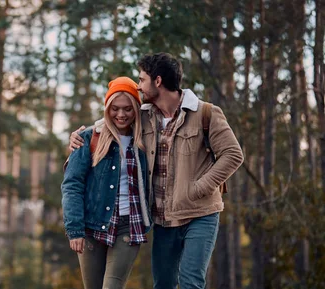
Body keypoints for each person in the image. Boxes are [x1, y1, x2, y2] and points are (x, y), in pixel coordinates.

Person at [68, 53, 244, 289]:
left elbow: (233, 154)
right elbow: (113, 119)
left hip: (200, 213)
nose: (138, 86)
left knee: (192, 282)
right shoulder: (145, 116)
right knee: (163, 283)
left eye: (142, 79)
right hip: (163, 218)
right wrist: (80, 137)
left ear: (158, 81)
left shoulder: (206, 113)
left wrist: (200, 187)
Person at [61, 77, 152, 289]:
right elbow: (72, 185)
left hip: (128, 226)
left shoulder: (146, 139)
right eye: (115, 108)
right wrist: (75, 229)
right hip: (92, 226)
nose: (121, 114)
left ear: (137, 109)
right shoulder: (88, 137)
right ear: (107, 108)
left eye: (128, 108)